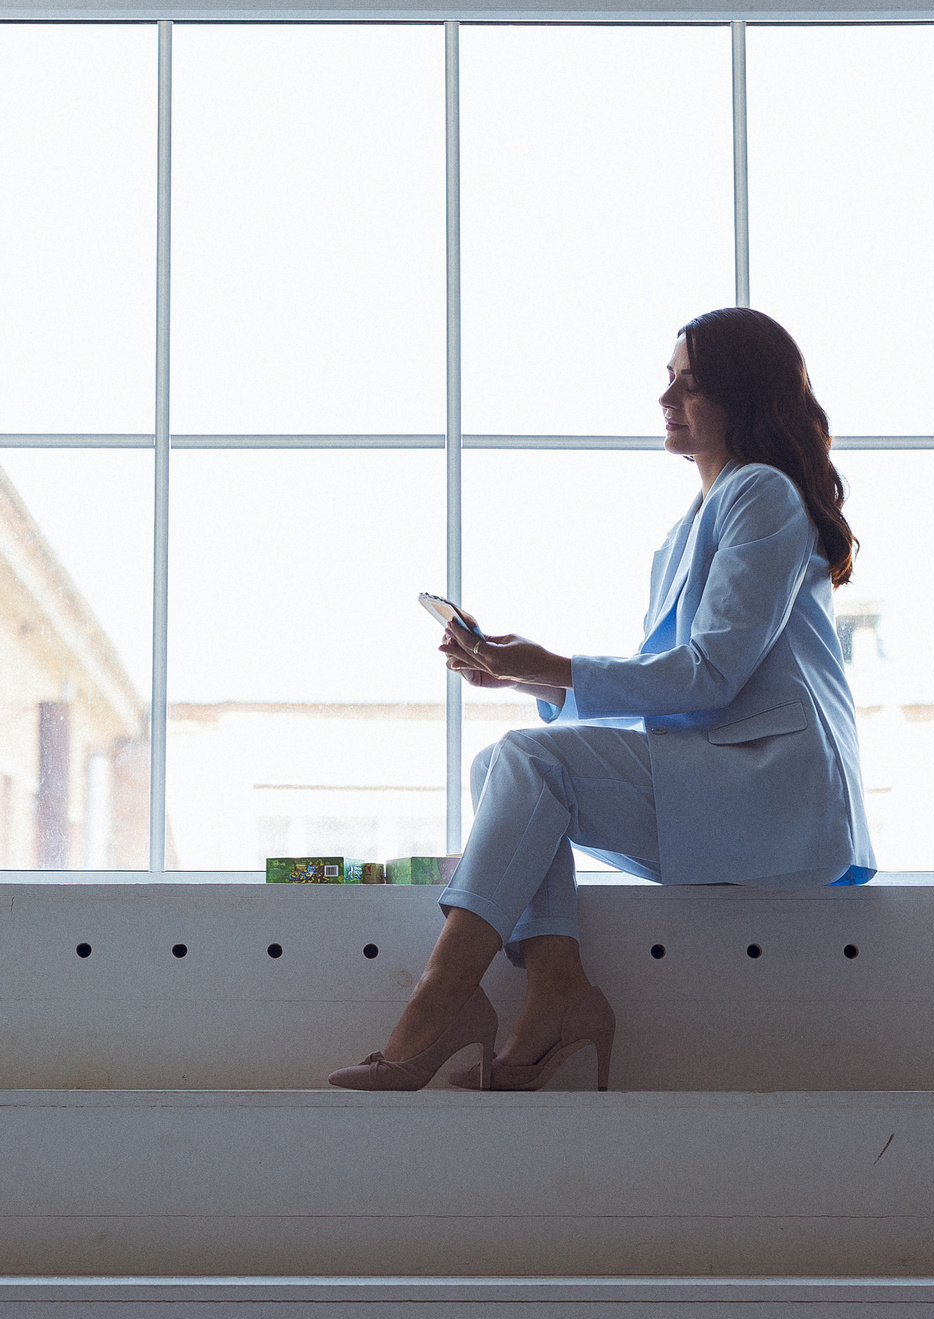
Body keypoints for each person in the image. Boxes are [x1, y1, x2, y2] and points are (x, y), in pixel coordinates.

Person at [327, 308, 876, 1093]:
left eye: (690, 381)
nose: (666, 396)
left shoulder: (764, 495)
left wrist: (554, 665)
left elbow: (708, 675)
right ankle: (558, 992)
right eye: (669, 377)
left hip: (775, 785)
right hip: (724, 777)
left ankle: (441, 998)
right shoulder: (692, 527)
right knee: (500, 766)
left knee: (523, 762)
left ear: (744, 396)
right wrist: (531, 677)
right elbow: (673, 690)